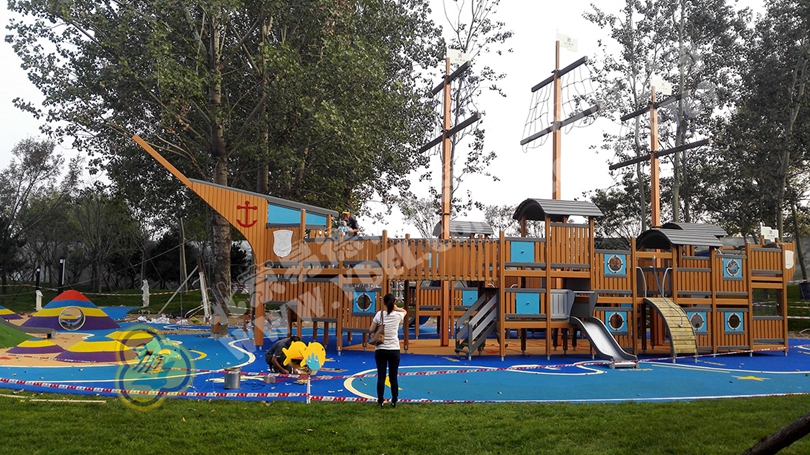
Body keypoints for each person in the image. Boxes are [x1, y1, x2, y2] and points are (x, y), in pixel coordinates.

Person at [369, 293, 407, 408]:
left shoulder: (379, 314)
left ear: (384, 303)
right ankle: (394, 400)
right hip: (394, 349)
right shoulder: (398, 315)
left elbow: (371, 329)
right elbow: (405, 311)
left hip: (381, 348)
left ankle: (380, 401)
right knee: (393, 377)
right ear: (394, 302)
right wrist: (396, 308)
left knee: (381, 376)